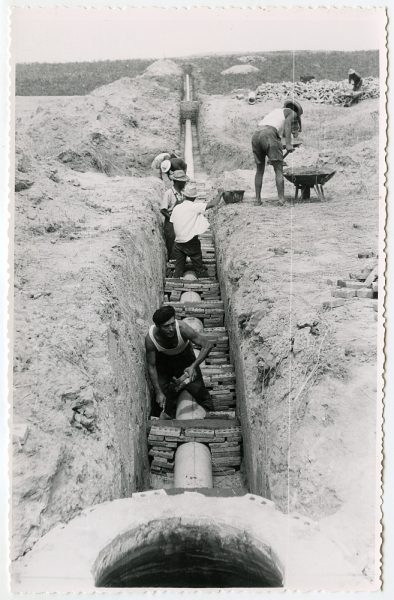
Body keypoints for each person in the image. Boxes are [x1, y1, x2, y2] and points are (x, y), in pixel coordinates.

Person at [145, 305, 214, 418]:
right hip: (164, 362)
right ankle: (163, 421)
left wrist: (193, 366)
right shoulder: (150, 339)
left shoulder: (182, 328)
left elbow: (207, 345)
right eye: (166, 326)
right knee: (161, 399)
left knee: (198, 390)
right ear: (158, 326)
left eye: (172, 324)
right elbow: (151, 366)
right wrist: (158, 392)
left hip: (185, 359)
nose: (171, 328)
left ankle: (211, 416)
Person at [251, 99, 303, 205]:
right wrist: (288, 145)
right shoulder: (292, 113)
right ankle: (281, 200)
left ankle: (257, 200)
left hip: (256, 135)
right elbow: (287, 127)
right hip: (269, 134)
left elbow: (278, 134)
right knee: (279, 169)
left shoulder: (277, 112)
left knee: (259, 170)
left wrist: (282, 145)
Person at [170, 182, 223, 278]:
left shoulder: (176, 208)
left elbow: (172, 222)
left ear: (184, 195)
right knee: (198, 265)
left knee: (179, 268)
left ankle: (176, 279)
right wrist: (220, 194)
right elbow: (213, 204)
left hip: (178, 243)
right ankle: (203, 277)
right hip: (191, 242)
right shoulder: (194, 207)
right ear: (194, 198)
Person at [160, 170, 189, 259]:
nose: (185, 184)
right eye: (183, 182)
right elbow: (163, 210)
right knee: (172, 243)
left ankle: (180, 261)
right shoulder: (169, 193)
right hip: (171, 223)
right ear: (177, 182)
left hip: (181, 222)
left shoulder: (182, 194)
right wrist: (172, 219)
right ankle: (172, 264)